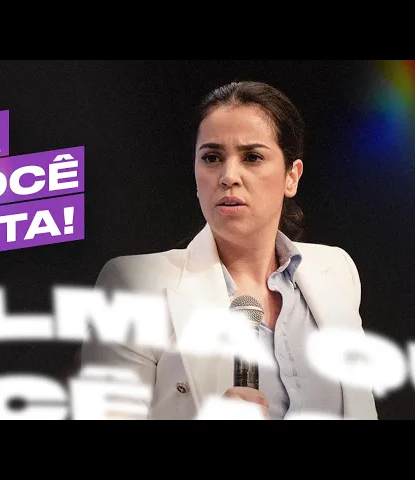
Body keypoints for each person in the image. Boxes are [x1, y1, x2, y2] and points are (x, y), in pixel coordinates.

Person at [79, 81, 378, 420]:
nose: (228, 176)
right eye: (212, 158)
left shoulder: (336, 271)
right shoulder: (135, 285)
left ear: (291, 177)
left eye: (252, 157)